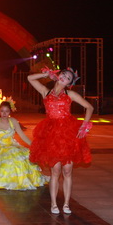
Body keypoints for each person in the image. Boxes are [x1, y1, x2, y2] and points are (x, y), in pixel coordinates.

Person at [27, 68, 93, 214]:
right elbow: (30, 78)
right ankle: (54, 203)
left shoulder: (71, 94)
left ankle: (67, 204)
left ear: (70, 83)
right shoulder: (46, 92)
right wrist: (45, 74)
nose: (65, 77)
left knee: (67, 170)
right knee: (55, 170)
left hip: (67, 133)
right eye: (63, 74)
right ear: (58, 75)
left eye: (68, 77)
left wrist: (84, 125)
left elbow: (89, 107)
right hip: (51, 134)